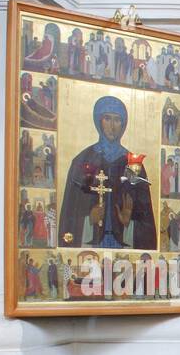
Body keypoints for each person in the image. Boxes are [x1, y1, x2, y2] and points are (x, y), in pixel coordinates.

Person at [58, 95, 157, 250]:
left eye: (117, 120)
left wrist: (129, 222)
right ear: (99, 121)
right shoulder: (83, 160)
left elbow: (146, 222)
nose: (112, 126)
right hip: (90, 245)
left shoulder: (133, 165)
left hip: (123, 245)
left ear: (123, 124)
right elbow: (69, 214)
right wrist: (89, 219)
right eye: (107, 119)